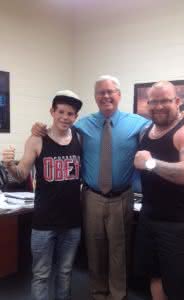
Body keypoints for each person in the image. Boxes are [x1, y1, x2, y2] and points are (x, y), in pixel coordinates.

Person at [31, 75, 151, 300]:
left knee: (119, 251)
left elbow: (161, 131)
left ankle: (117, 295)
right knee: (94, 250)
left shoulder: (138, 122)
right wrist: (39, 127)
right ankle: (97, 293)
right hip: (91, 197)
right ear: (95, 97)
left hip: (122, 197)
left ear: (119, 95)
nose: (106, 96)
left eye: (110, 91)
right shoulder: (82, 124)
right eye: (100, 92)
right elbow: (59, 127)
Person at [2, 90, 83, 300]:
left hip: (72, 222)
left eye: (71, 114)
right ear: (52, 112)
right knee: (41, 274)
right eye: (61, 112)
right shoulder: (37, 140)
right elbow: (20, 176)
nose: (65, 117)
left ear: (76, 117)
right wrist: (10, 164)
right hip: (44, 222)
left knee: (65, 273)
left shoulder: (80, 139)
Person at [134, 80, 184, 300]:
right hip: (149, 217)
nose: (158, 106)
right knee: (154, 276)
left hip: (178, 225)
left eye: (164, 100)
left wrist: (150, 164)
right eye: (153, 101)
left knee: (180, 287)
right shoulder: (147, 129)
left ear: (177, 101)